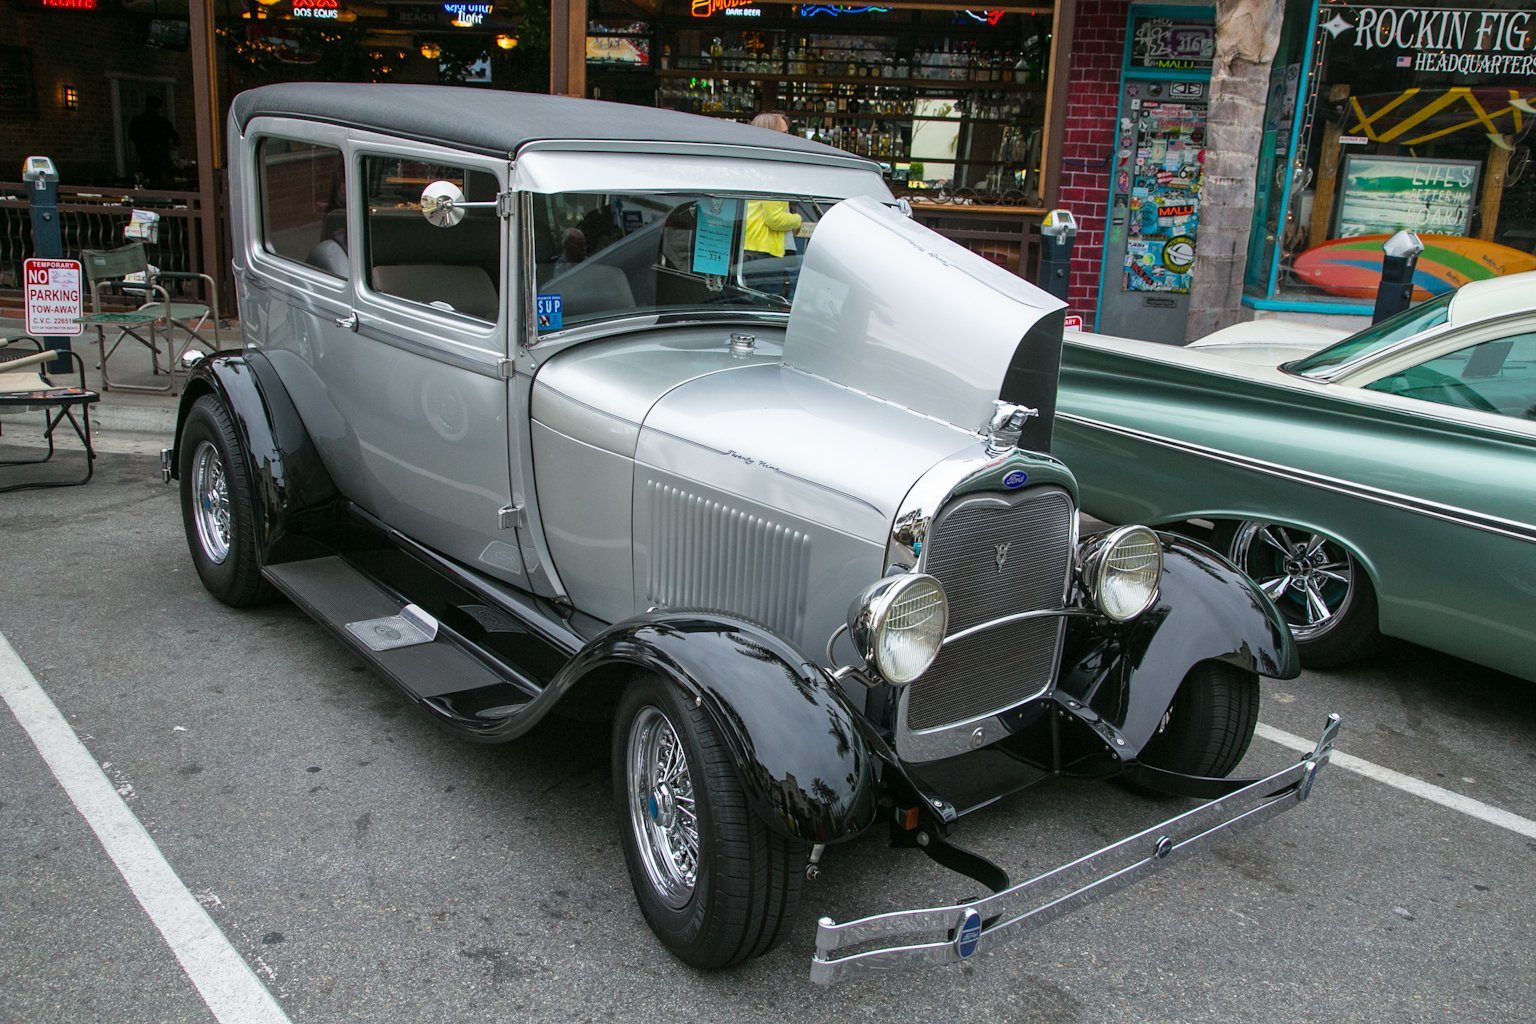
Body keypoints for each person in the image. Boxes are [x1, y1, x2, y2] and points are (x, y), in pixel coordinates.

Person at [128, 95, 180, 189]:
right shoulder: (164, 123)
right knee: (164, 186)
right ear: (159, 108)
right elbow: (177, 140)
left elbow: (131, 138)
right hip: (162, 160)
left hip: (144, 159)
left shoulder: (137, 121)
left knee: (144, 185)